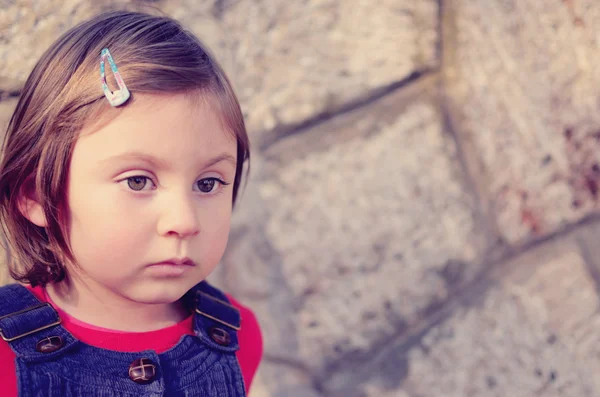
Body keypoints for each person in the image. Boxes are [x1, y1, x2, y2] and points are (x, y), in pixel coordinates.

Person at [0, 10, 262, 397]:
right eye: (138, 181)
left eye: (208, 183)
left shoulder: (238, 335)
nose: (184, 221)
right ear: (36, 196)